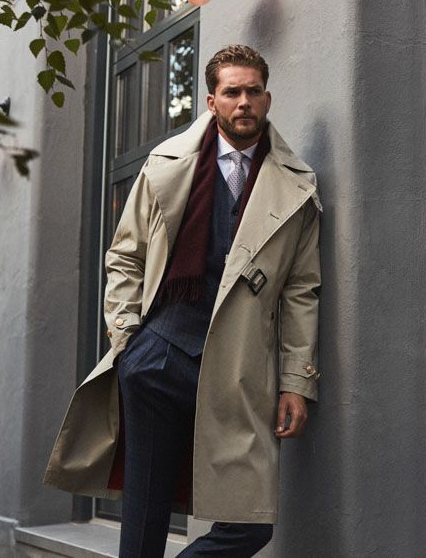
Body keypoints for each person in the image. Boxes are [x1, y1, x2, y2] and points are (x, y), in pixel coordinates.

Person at [44, 45, 322, 558]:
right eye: (232, 92)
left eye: (253, 92)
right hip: (158, 358)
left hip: (240, 369)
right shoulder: (165, 166)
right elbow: (125, 257)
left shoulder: (298, 186)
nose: (244, 102)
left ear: (268, 97)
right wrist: (128, 337)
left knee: (249, 525)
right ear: (211, 100)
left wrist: (295, 382)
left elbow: (301, 291)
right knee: (145, 520)